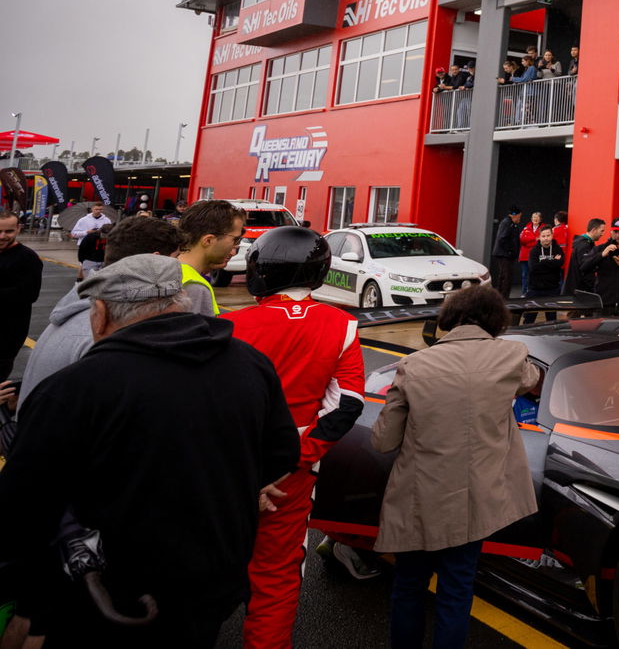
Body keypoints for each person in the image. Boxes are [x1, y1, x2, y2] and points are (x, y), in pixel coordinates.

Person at [0, 254, 299, 647]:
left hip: (108, 597)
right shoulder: (250, 362)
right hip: (212, 580)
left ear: (101, 313)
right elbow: (282, 454)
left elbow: (26, 507)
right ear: (178, 304)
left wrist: (30, 602)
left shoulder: (75, 388)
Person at [373, 284, 544, 645]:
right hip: (476, 502)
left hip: (420, 500)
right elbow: (532, 380)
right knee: (456, 592)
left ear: (449, 319)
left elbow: (383, 440)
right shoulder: (513, 356)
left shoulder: (413, 366)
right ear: (496, 319)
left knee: (408, 589)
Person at [228, 226, 365, 648]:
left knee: (198, 566)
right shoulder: (341, 325)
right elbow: (347, 406)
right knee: (276, 578)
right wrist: (292, 462)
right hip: (293, 474)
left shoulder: (226, 324)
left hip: (224, 470)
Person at [19, 215, 181, 403]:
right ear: (155, 261)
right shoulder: (103, 337)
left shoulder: (79, 310)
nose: (180, 267)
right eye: (176, 259)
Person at [176, 198, 245, 313]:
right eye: (235, 240)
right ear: (208, 241)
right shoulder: (194, 287)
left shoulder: (167, 272)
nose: (233, 251)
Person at [0, 209, 43, 379]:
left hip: (6, 335)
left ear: (18, 228)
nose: (2, 236)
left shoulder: (27, 258)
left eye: (8, 231)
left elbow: (29, 294)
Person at [560, 217, 607, 310]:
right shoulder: (584, 245)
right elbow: (584, 266)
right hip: (579, 291)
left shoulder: (587, 243)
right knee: (574, 319)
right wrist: (602, 255)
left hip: (580, 290)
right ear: (593, 230)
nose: (603, 234)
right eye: (601, 231)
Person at [525, 227, 565, 305]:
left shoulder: (557, 249)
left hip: (553, 288)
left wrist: (542, 262)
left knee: (551, 316)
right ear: (539, 237)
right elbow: (533, 268)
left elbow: (560, 263)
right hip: (535, 288)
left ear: (552, 235)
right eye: (543, 236)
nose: (546, 238)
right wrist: (552, 262)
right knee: (529, 316)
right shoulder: (534, 251)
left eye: (548, 235)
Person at [490, 206, 524, 294]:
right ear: (514, 215)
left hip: (506, 254)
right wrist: (510, 251)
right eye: (519, 216)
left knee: (504, 275)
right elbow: (502, 238)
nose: (520, 218)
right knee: (507, 276)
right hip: (504, 254)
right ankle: (504, 297)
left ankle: (501, 295)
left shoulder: (511, 224)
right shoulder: (507, 223)